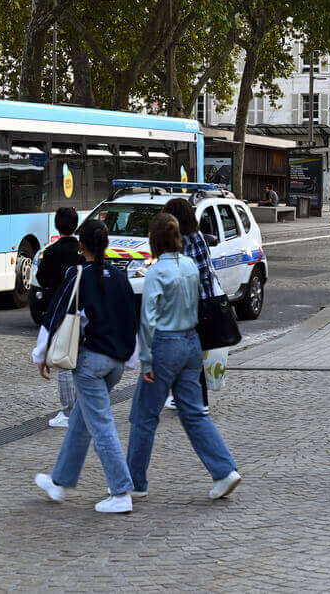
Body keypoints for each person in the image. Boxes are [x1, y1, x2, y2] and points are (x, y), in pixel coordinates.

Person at [126, 213, 241, 502]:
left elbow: (148, 320)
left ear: (153, 240)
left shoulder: (154, 273)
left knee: (143, 416)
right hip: (190, 341)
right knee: (194, 413)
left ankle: (134, 481)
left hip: (165, 344)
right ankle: (224, 470)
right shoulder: (189, 265)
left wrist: (146, 359)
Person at [33, 219, 139, 514]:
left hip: (91, 362)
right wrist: (131, 359)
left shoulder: (78, 275)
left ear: (81, 247)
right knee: (82, 418)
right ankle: (59, 482)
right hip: (116, 361)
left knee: (101, 424)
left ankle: (120, 492)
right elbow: (131, 319)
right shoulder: (119, 277)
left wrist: (40, 355)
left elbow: (56, 315)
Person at [161, 198, 213, 414]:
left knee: (184, 352)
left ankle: (195, 400)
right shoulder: (198, 235)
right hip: (204, 300)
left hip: (190, 303)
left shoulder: (183, 242)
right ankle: (193, 399)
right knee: (192, 352)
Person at [34, 207, 83, 429]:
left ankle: (68, 411)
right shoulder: (82, 251)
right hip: (82, 309)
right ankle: (82, 407)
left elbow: (41, 277)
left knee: (64, 360)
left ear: (56, 225)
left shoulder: (50, 251)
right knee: (81, 361)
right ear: (76, 225)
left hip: (59, 310)